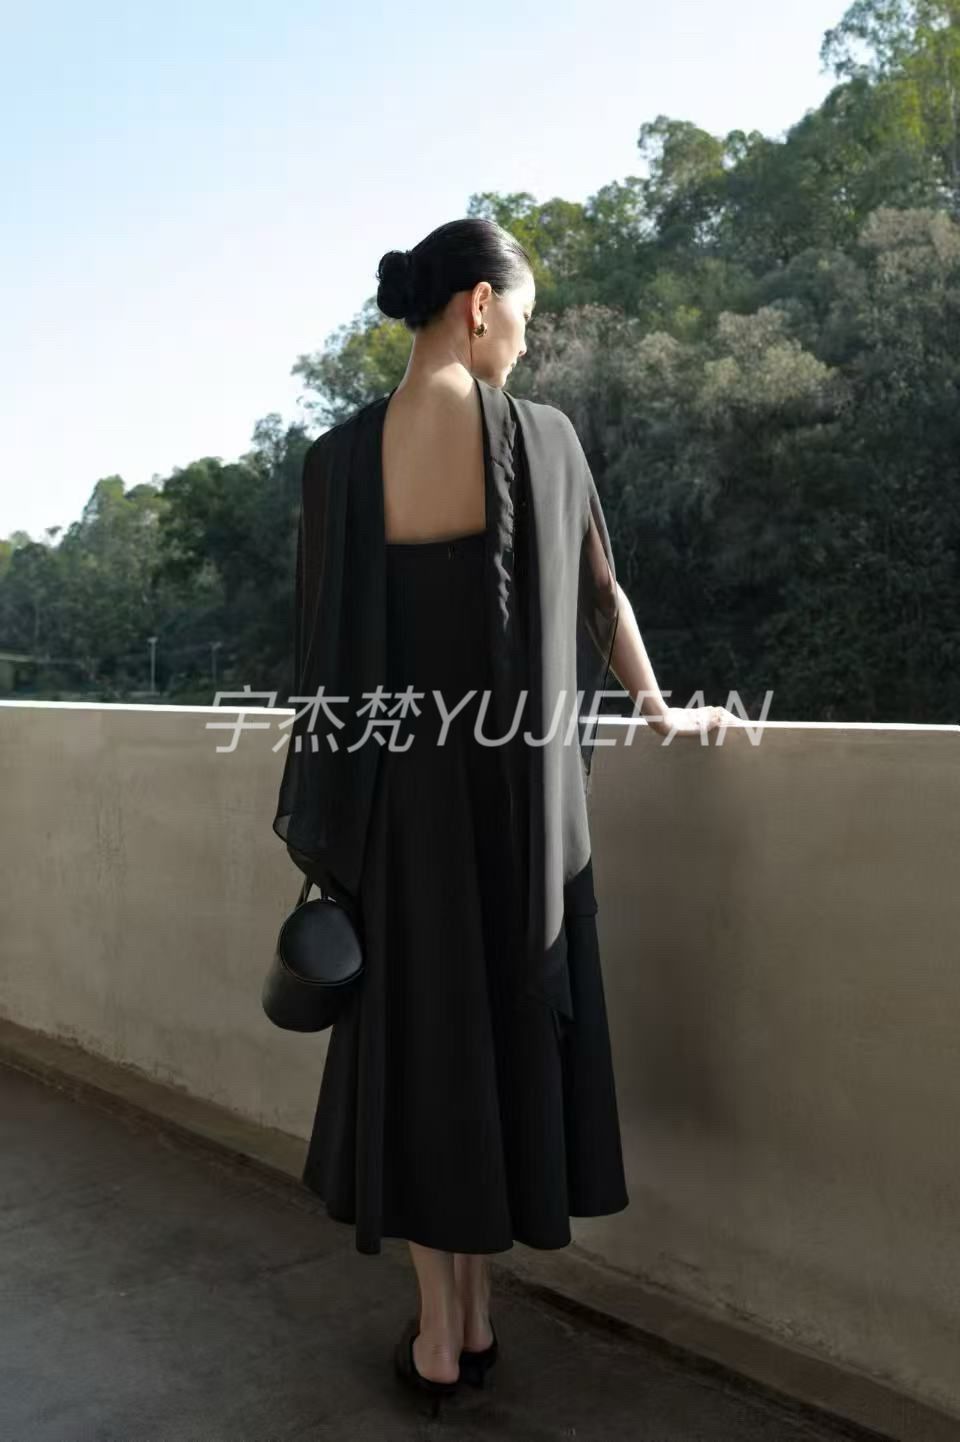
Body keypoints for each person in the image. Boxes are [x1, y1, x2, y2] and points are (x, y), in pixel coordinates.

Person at [273, 217, 736, 1411]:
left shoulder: (336, 461)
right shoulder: (546, 441)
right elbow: (601, 597)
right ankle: (473, 1318)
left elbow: (321, 658)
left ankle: (447, 1328)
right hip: (520, 819)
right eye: (522, 321)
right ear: (478, 305)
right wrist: (659, 708)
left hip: (396, 819)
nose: (524, 345)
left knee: (429, 1062)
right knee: (498, 1045)